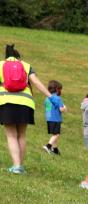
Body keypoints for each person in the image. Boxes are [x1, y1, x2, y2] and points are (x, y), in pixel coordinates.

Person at [1, 44, 55, 173]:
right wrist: (51, 97)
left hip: (6, 102)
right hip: (25, 102)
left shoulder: (1, 65)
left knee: (11, 135)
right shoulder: (25, 65)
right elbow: (36, 82)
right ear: (18, 57)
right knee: (22, 135)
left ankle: (16, 165)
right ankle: (20, 166)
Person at [42, 80, 66, 156]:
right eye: (60, 89)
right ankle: (48, 146)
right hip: (56, 119)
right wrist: (64, 108)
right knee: (56, 134)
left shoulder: (47, 98)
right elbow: (61, 109)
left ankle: (55, 150)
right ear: (57, 89)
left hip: (49, 118)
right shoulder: (58, 98)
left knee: (54, 134)